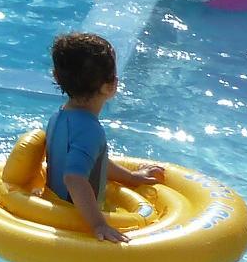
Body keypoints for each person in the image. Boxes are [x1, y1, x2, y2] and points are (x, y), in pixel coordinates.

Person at [43, 32, 165, 243]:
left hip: (54, 208)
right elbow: (74, 177)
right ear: (110, 86)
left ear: (56, 76)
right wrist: (99, 224)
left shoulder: (60, 116)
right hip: (75, 223)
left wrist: (132, 177)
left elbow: (92, 163)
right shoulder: (90, 130)